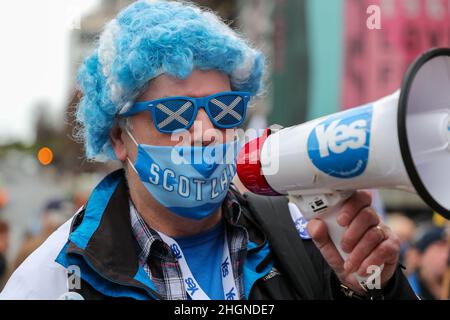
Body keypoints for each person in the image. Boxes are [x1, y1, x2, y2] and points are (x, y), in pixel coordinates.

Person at [0, 0, 416, 300]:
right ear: (117, 137)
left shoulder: (304, 235)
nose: (204, 133)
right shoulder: (51, 280)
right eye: (173, 115)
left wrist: (372, 289)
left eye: (223, 110)